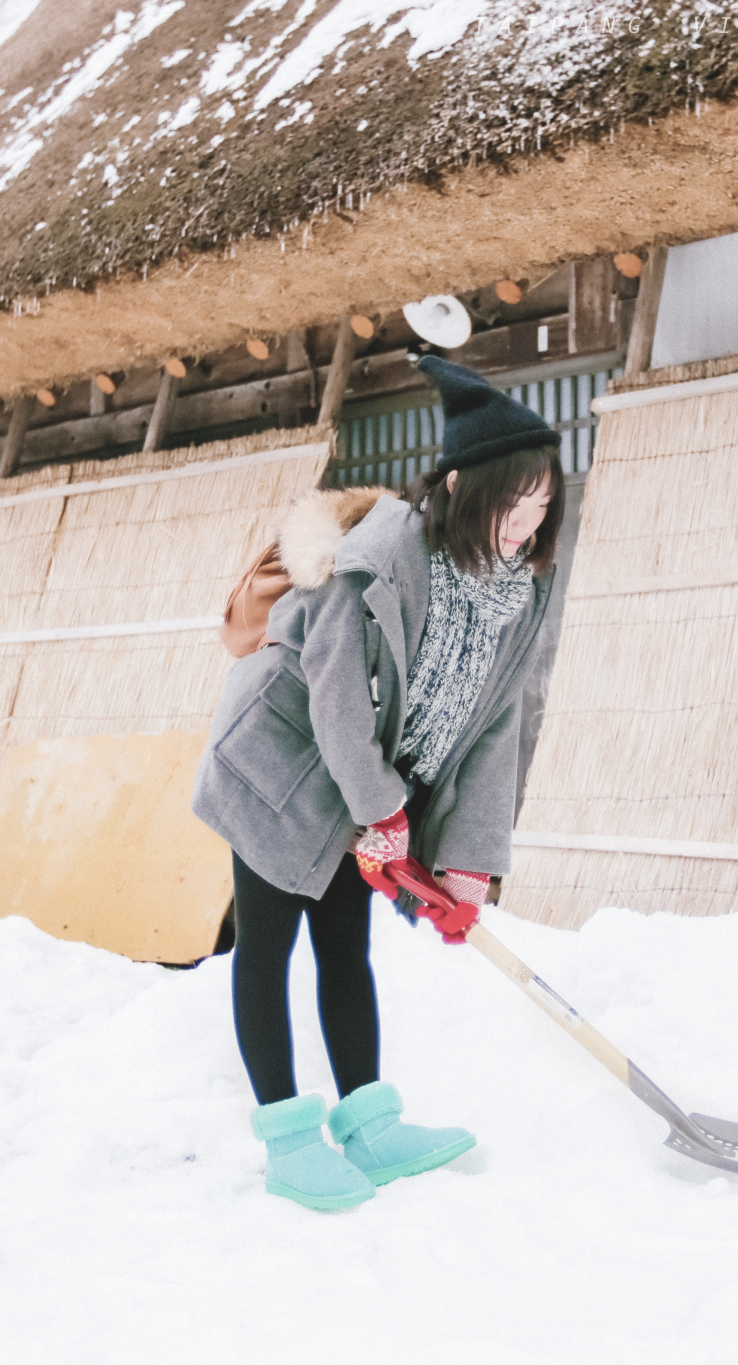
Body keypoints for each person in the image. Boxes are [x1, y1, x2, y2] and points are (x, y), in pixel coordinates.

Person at [192, 356, 565, 1211]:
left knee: (344, 948)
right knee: (269, 944)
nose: (528, 522)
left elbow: (492, 727)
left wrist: (466, 862)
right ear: (467, 486)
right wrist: (384, 810)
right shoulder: (392, 547)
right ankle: (289, 1140)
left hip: (357, 780)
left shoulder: (515, 594)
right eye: (516, 502)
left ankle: (369, 1126)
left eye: (544, 504)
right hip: (282, 763)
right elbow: (331, 685)